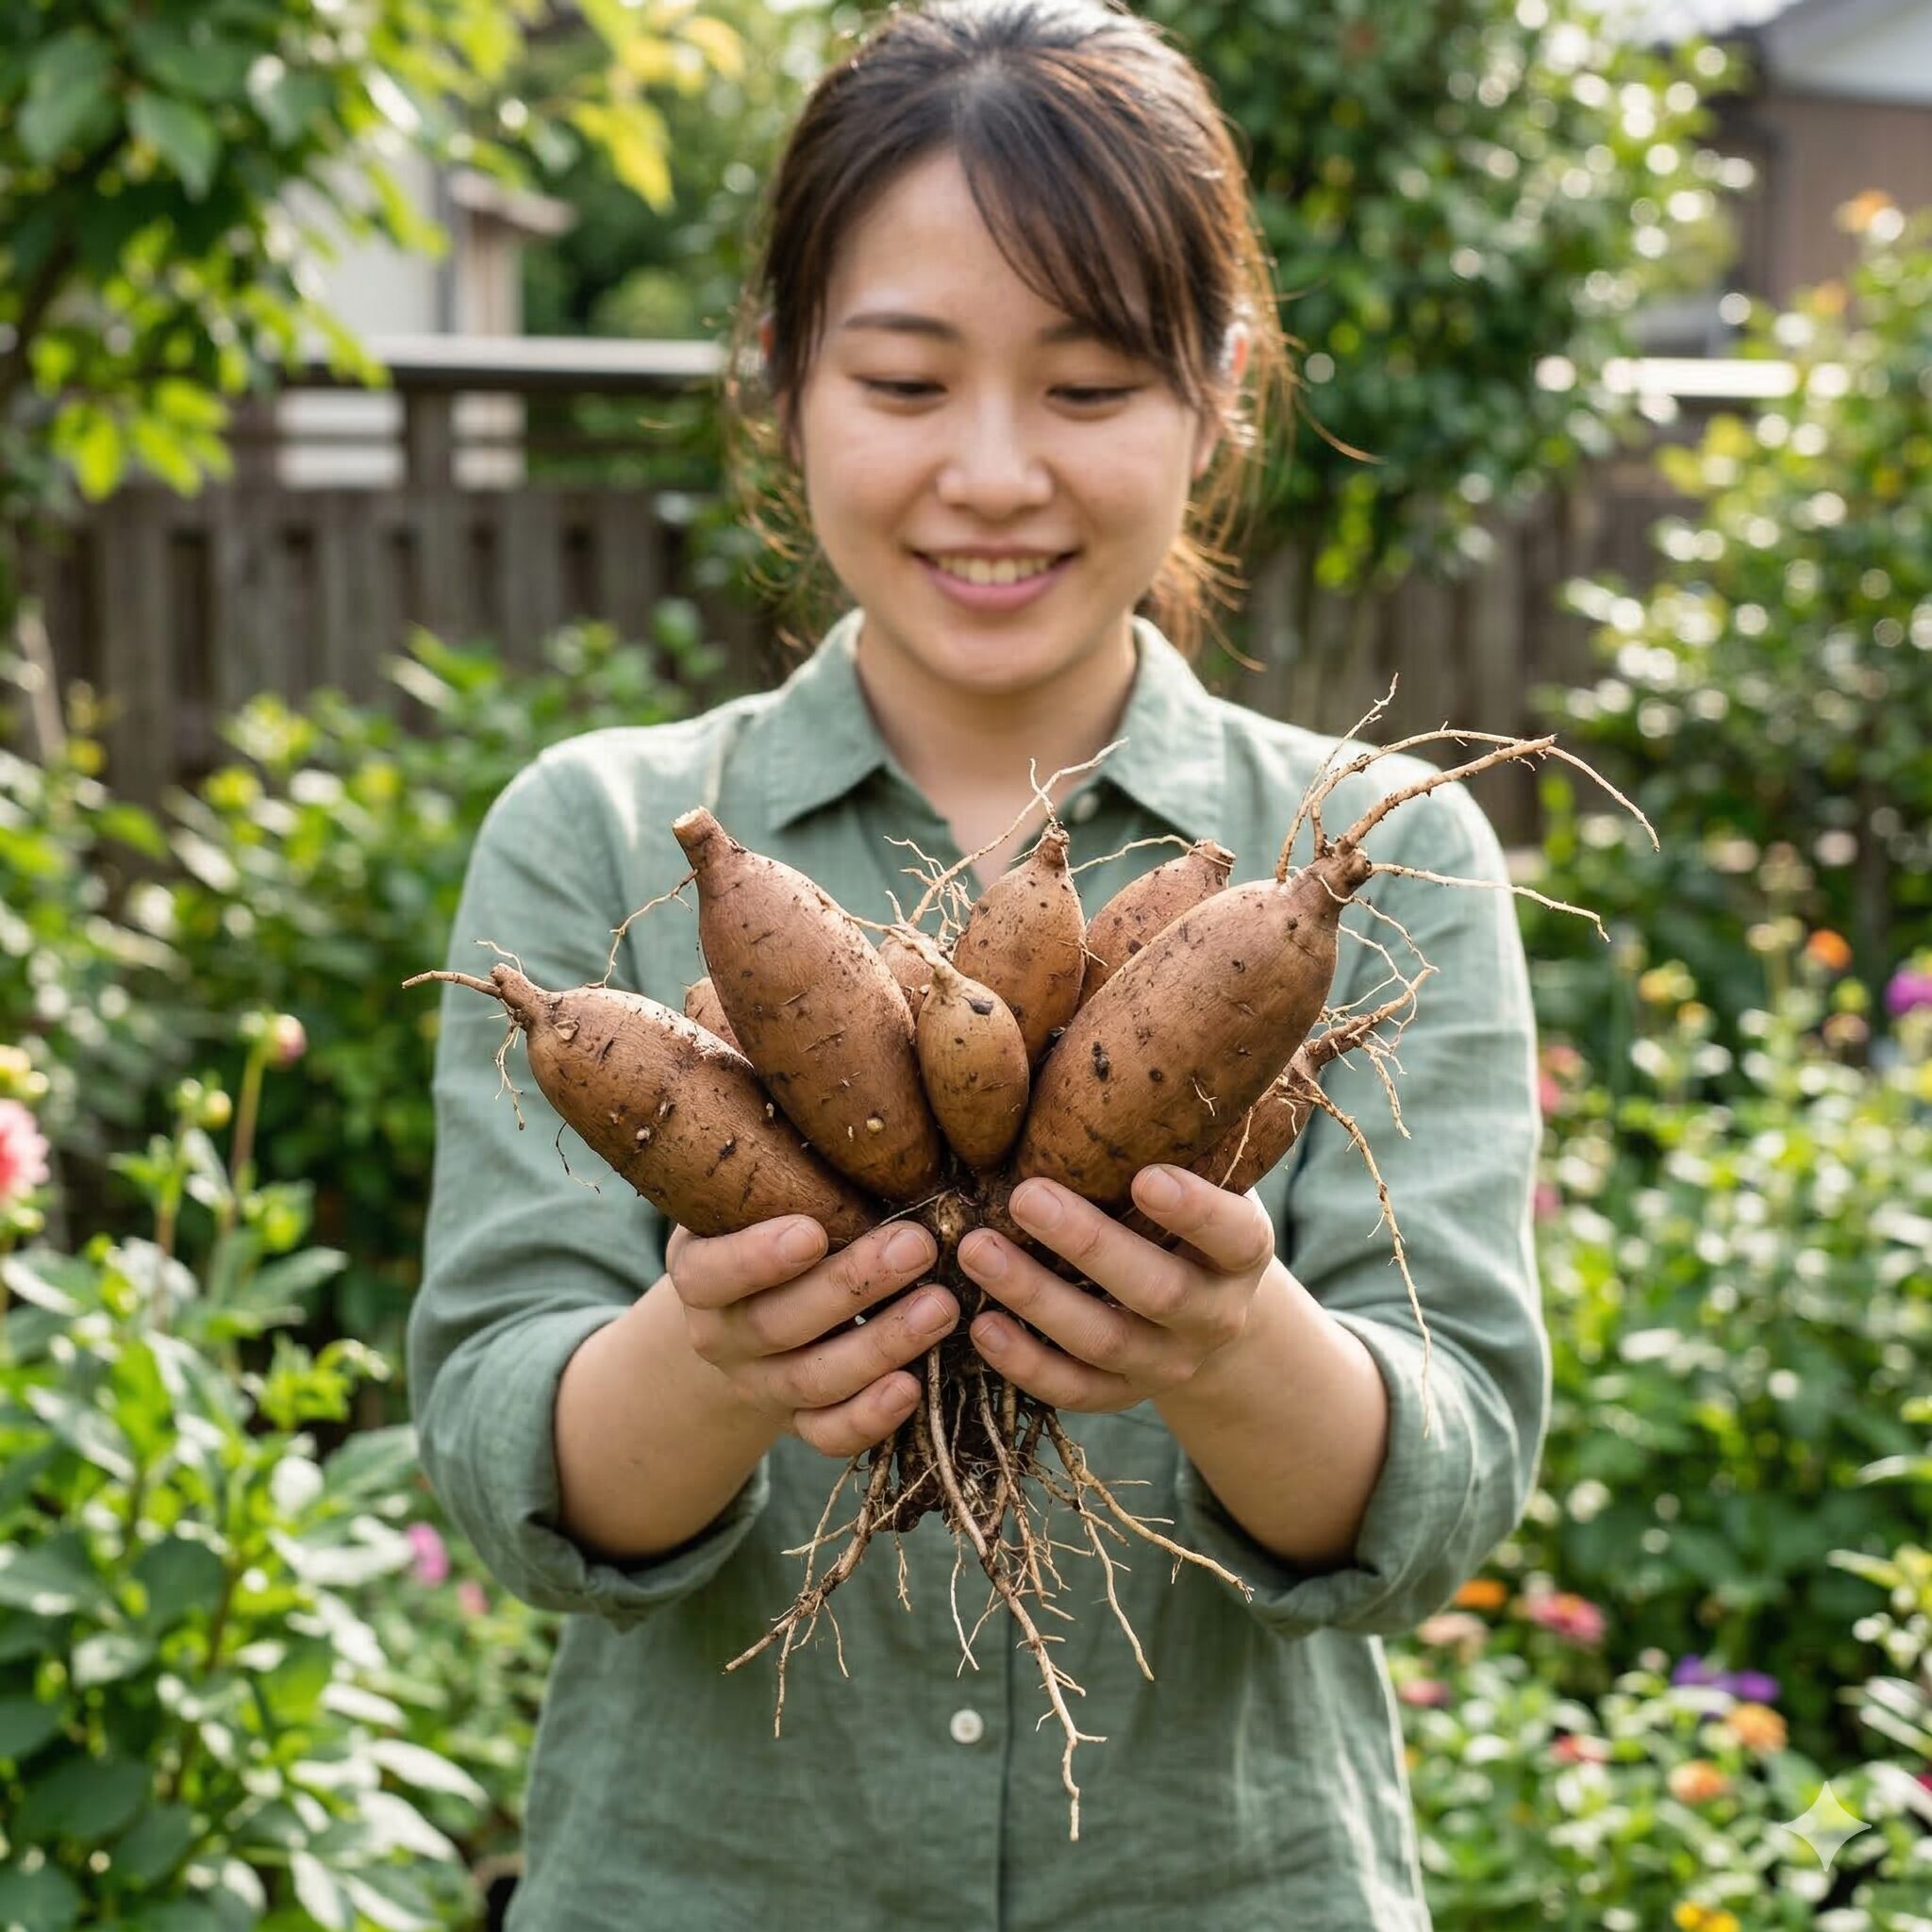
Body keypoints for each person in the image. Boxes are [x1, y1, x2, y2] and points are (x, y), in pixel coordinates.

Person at [408, 2, 1547, 1926]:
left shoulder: (1385, 859)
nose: (996, 471)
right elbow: (503, 1445)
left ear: (1222, 386)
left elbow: (1441, 1475)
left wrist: (1222, 1344)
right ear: (781, 376)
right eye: (909, 381)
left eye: (1090, 388)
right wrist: (717, 1349)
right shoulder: (599, 837)